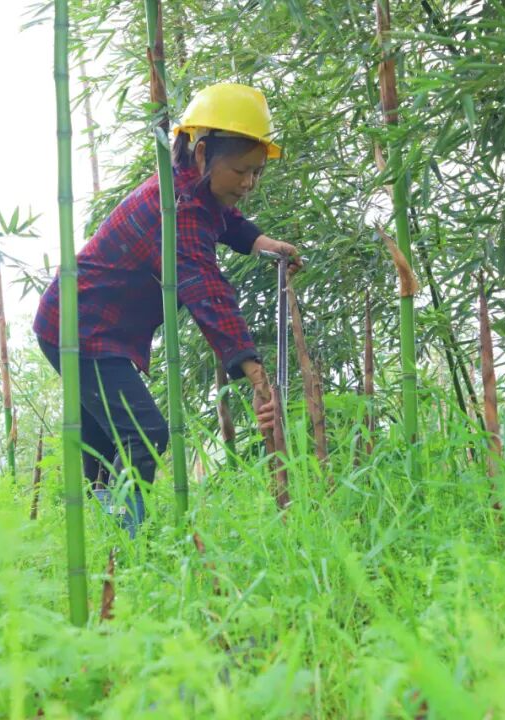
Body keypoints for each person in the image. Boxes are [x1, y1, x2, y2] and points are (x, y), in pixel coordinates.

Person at [34, 83, 300, 538]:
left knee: (105, 450)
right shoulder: (176, 208)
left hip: (86, 327)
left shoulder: (193, 191)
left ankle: (110, 544)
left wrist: (264, 243)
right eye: (241, 170)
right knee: (143, 434)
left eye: (257, 172)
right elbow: (207, 291)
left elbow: (226, 220)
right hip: (81, 331)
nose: (248, 183)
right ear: (202, 153)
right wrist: (256, 375)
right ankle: (129, 542)